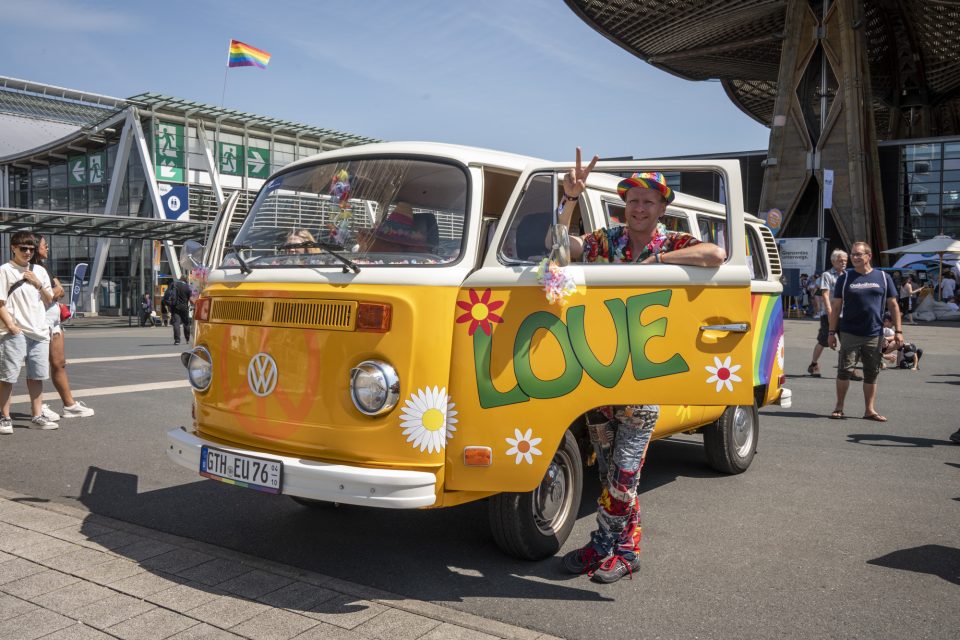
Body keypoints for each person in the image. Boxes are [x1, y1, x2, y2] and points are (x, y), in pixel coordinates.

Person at [555, 149, 725, 584]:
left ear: (663, 207)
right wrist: (569, 200)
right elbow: (559, 250)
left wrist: (659, 262)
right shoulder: (605, 241)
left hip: (644, 382)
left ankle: (609, 546)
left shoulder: (671, 243)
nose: (639, 207)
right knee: (612, 474)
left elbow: (716, 254)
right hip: (601, 377)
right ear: (623, 205)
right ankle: (619, 548)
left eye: (649, 201)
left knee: (625, 474)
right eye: (633, 200)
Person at [827, 242, 902, 421]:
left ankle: (870, 410)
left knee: (872, 372)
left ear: (869, 256)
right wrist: (831, 333)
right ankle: (839, 406)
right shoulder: (844, 278)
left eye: (859, 254)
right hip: (849, 332)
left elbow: (893, 305)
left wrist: (898, 331)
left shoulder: (883, 277)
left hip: (875, 333)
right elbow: (836, 307)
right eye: (853, 254)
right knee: (844, 370)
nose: (855, 257)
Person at [31, 236, 94, 421]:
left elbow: (59, 290)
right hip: (36, 324)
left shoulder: (44, 267)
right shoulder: (29, 269)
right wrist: (53, 290)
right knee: (36, 367)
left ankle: (69, 405)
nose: (47, 248)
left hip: (53, 322)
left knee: (59, 363)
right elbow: (50, 294)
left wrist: (53, 290)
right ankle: (38, 407)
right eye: (44, 245)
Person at [0, 232, 57, 434]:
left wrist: (37, 283)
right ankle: (4, 417)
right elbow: (0, 304)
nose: (27, 252)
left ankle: (37, 415)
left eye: (31, 249)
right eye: (23, 248)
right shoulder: (4, 271)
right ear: (13, 247)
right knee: (8, 376)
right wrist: (12, 327)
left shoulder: (39, 271)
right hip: (14, 332)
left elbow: (49, 299)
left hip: (39, 331)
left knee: (36, 376)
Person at [808, 249, 848, 377]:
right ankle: (813, 364)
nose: (843, 263)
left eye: (845, 261)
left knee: (847, 342)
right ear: (833, 261)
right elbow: (825, 295)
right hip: (829, 314)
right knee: (823, 341)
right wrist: (830, 312)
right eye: (840, 260)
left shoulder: (847, 275)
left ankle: (848, 368)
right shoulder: (827, 275)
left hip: (844, 315)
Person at [166, 275, 192, 346]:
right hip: (184, 308)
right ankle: (187, 339)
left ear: (180, 279)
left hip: (175, 307)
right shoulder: (187, 287)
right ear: (185, 280)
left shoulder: (175, 284)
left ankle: (177, 340)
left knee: (176, 324)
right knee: (186, 323)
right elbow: (191, 298)